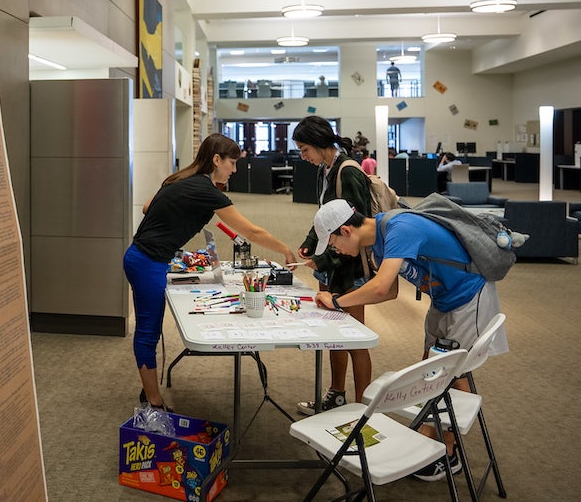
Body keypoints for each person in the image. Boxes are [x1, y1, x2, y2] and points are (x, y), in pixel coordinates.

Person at [310, 198, 508, 482]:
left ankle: (447, 454)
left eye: (332, 244)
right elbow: (389, 292)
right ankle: (432, 436)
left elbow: (379, 289)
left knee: (452, 372)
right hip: (443, 298)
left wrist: (338, 301)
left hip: (468, 295)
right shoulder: (378, 243)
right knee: (433, 369)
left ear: (346, 230)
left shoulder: (398, 228)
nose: (336, 251)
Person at [124, 133, 294, 412]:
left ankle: (150, 390)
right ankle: (153, 401)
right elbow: (250, 231)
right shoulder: (205, 189)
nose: (235, 170)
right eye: (232, 163)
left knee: (149, 330)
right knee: (148, 332)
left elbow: (146, 207)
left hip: (146, 257)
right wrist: (285, 249)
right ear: (216, 160)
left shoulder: (181, 178)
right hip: (147, 262)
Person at [291, 116, 375, 414]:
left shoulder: (348, 171)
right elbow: (325, 217)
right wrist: (309, 242)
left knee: (355, 337)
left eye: (304, 150)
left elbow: (355, 228)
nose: (304, 157)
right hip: (330, 262)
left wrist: (322, 257)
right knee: (333, 333)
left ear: (318, 143)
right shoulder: (324, 170)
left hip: (349, 265)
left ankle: (363, 409)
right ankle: (336, 394)